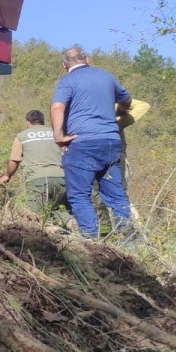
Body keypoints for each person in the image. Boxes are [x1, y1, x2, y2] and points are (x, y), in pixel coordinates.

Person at [50, 46, 137, 240]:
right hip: (110, 143)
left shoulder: (68, 81)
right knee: (116, 195)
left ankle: (91, 242)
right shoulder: (106, 77)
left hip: (82, 144)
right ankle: (130, 240)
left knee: (80, 195)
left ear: (64, 65)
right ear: (87, 59)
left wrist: (59, 136)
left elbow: (57, 106)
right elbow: (127, 100)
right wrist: (121, 110)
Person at [0, 110, 72, 229]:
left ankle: (50, 238)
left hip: (37, 180)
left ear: (27, 122)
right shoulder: (56, 134)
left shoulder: (22, 136)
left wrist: (7, 175)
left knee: (37, 218)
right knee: (58, 209)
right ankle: (71, 224)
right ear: (42, 122)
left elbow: (15, 161)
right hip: (61, 179)